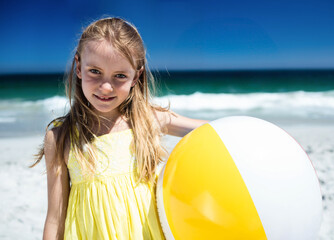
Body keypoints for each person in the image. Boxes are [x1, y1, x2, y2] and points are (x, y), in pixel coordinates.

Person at [31, 17, 207, 239]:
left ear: (136, 76)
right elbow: (55, 217)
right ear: (78, 67)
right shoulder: (60, 137)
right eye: (95, 71)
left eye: (120, 76)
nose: (106, 87)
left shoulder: (149, 120)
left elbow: (215, 133)